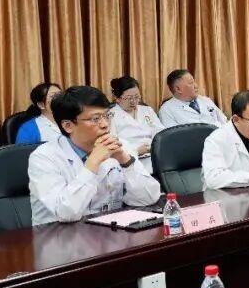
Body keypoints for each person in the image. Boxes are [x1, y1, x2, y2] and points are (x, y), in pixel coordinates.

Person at [28, 86, 161, 225]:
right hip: (60, 234)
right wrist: (92, 163)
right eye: (95, 119)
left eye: (107, 116)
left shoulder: (120, 145)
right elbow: (67, 213)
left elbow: (149, 198)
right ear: (68, 125)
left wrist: (125, 162)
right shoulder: (43, 158)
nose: (105, 124)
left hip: (111, 231)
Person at [109, 76, 165, 169]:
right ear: (117, 98)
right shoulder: (111, 115)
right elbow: (113, 144)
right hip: (131, 160)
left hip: (155, 155)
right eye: (129, 98)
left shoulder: (147, 110)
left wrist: (155, 146)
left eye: (136, 97)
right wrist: (136, 151)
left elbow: (161, 133)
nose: (133, 101)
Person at [158, 69, 227, 128]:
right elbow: (172, 135)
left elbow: (224, 122)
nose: (196, 86)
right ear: (178, 89)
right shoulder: (166, 110)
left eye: (194, 82)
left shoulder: (205, 100)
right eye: (191, 83)